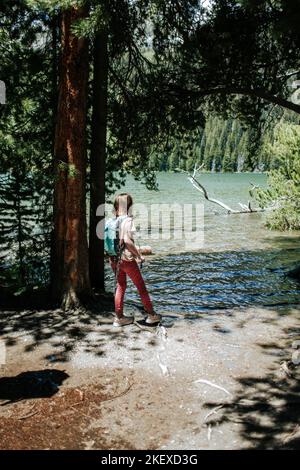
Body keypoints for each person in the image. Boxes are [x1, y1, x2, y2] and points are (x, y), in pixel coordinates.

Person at [109, 193, 161, 327]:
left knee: (120, 286)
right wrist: (139, 256)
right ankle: (151, 315)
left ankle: (119, 318)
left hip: (113, 259)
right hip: (126, 260)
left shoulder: (111, 221)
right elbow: (127, 241)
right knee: (141, 287)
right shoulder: (127, 220)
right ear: (129, 205)